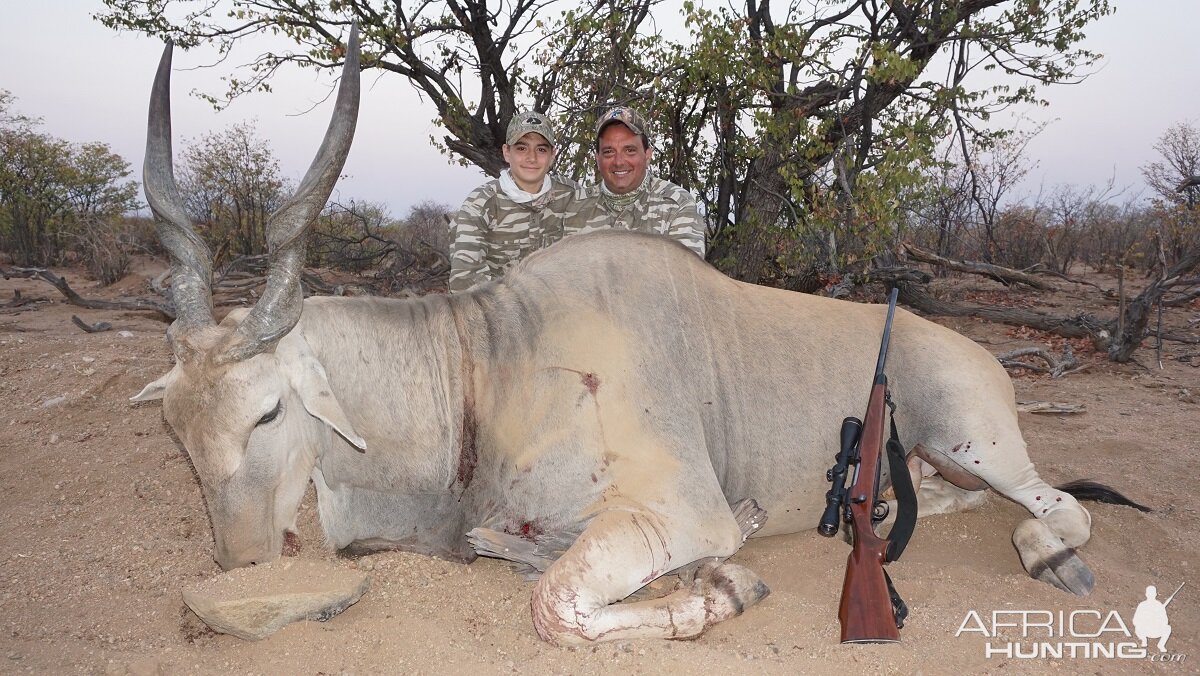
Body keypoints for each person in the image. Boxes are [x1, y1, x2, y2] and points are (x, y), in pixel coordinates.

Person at [447, 111, 577, 292]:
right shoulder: (480, 204)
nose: (532, 158)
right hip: (500, 314)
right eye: (522, 148)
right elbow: (465, 283)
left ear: (552, 155)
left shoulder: (575, 197)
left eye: (541, 149)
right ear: (507, 152)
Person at [568, 106, 706, 257]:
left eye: (630, 150)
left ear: (647, 155)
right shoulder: (575, 207)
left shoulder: (677, 205)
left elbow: (687, 276)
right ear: (597, 158)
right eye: (609, 152)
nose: (619, 162)